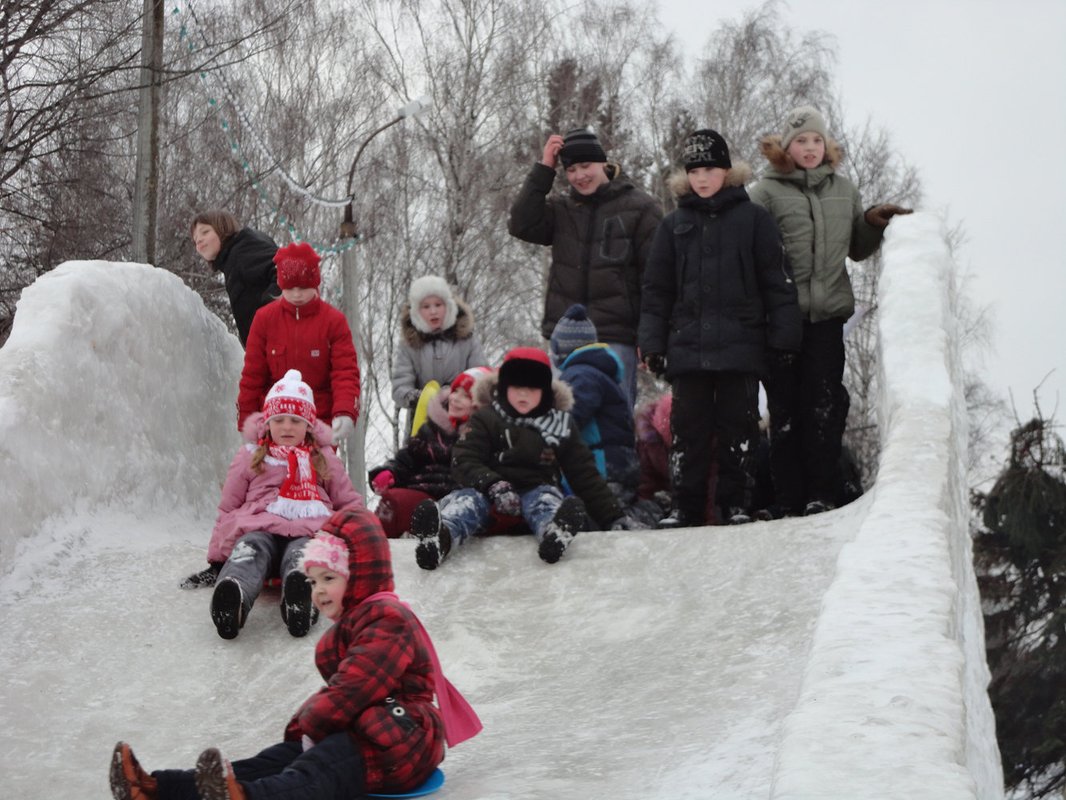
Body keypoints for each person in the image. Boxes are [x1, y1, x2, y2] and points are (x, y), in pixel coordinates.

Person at [111, 510, 481, 800]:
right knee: (272, 760)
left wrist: (309, 723)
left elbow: (354, 688)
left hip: (401, 741)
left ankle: (242, 797)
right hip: (365, 733)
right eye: (313, 581)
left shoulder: (389, 619)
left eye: (329, 579)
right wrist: (302, 732)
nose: (318, 592)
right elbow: (345, 696)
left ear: (362, 575)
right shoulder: (356, 625)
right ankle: (161, 789)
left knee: (315, 770)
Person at [748, 106, 912, 516]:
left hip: (828, 316)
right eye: (801, 140)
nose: (809, 147)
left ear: (826, 146)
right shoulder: (764, 192)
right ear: (786, 146)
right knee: (785, 410)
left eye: (816, 140)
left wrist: (872, 221)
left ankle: (821, 494)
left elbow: (857, 247)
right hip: (781, 318)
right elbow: (750, 254)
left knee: (823, 405)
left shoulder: (844, 188)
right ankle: (787, 499)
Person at [638, 129, 802, 528]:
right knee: (687, 432)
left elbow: (777, 283)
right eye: (695, 170)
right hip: (688, 350)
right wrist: (653, 344)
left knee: (738, 430)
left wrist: (783, 339)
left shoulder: (754, 220)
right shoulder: (673, 225)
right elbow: (656, 291)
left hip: (742, 348)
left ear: (726, 171)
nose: (702, 178)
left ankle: (735, 505)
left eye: (710, 168)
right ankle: (686, 508)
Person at [411, 347, 637, 570]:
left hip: (534, 490)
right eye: (517, 387)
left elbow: (583, 473)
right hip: (487, 493)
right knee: (467, 503)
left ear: (545, 391)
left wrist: (612, 517)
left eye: (532, 388)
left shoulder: (559, 424)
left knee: (546, 500)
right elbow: (464, 459)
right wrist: (494, 485)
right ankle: (441, 538)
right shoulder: (486, 418)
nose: (523, 394)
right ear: (504, 387)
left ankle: (554, 533)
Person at [180, 369, 364, 640]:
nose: (287, 427)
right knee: (249, 550)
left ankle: (301, 600)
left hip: (308, 530)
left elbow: (349, 503)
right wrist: (218, 559)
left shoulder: (323, 458)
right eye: (279, 420)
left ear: (309, 425)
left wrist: (363, 546)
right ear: (268, 421)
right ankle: (234, 597)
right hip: (259, 526)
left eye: (295, 421)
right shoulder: (251, 456)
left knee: (305, 555)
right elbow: (228, 507)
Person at [508, 127, 663, 407]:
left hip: (615, 337)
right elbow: (521, 224)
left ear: (604, 162)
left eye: (586, 166)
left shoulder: (641, 208)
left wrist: (648, 336)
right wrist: (545, 168)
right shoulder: (562, 210)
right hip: (566, 339)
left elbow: (655, 279)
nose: (579, 176)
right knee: (562, 421)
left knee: (613, 422)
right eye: (571, 169)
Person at [237, 242, 360, 443]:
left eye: (303, 287)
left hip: (319, 424)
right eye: (290, 287)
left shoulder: (333, 321)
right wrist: (246, 420)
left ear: (315, 284)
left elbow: (345, 372)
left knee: (318, 473)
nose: (296, 294)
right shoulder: (264, 319)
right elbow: (253, 375)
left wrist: (345, 411)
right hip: (273, 424)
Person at [549, 304, 659, 527]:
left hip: (602, 466)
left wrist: (546, 433)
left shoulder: (581, 375)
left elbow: (571, 416)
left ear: (562, 349)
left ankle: (649, 512)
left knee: (599, 514)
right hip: (616, 464)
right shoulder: (596, 373)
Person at [369, 368, 488, 538]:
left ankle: (440, 538)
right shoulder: (432, 428)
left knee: (462, 507)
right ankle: (371, 541)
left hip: (459, 496)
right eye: (455, 392)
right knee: (394, 501)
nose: (455, 399)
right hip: (424, 490)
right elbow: (407, 458)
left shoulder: (481, 436)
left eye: (465, 396)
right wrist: (390, 472)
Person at [391, 275, 487, 417]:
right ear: (417, 311)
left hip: (464, 419)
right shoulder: (409, 344)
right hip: (423, 423)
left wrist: (457, 395)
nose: (433, 311)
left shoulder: (466, 339)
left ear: (448, 306)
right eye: (426, 306)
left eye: (438, 305)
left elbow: (481, 378)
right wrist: (420, 398)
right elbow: (400, 387)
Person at [190, 210, 279, 346]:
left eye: (205, 232)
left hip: (284, 345)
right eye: (195, 239)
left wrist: (270, 311)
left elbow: (284, 269)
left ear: (222, 229)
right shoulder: (232, 260)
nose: (199, 240)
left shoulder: (244, 247)